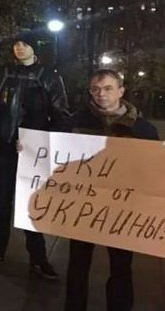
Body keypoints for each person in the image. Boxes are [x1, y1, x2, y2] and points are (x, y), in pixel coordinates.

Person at [64, 69, 159, 311]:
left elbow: (154, 170)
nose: (101, 94)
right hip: (83, 206)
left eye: (107, 88)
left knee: (121, 267)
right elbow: (54, 154)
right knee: (77, 264)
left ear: (121, 91)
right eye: (95, 89)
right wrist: (28, 148)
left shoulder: (143, 129)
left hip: (122, 210)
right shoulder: (75, 122)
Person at [0, 31, 70, 279]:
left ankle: (38, 258)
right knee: (1, 199)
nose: (19, 48)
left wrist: (39, 141)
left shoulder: (48, 76)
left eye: (24, 44)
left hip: (33, 152)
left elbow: (61, 115)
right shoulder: (3, 73)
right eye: (16, 43)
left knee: (32, 202)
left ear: (35, 48)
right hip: (4, 148)